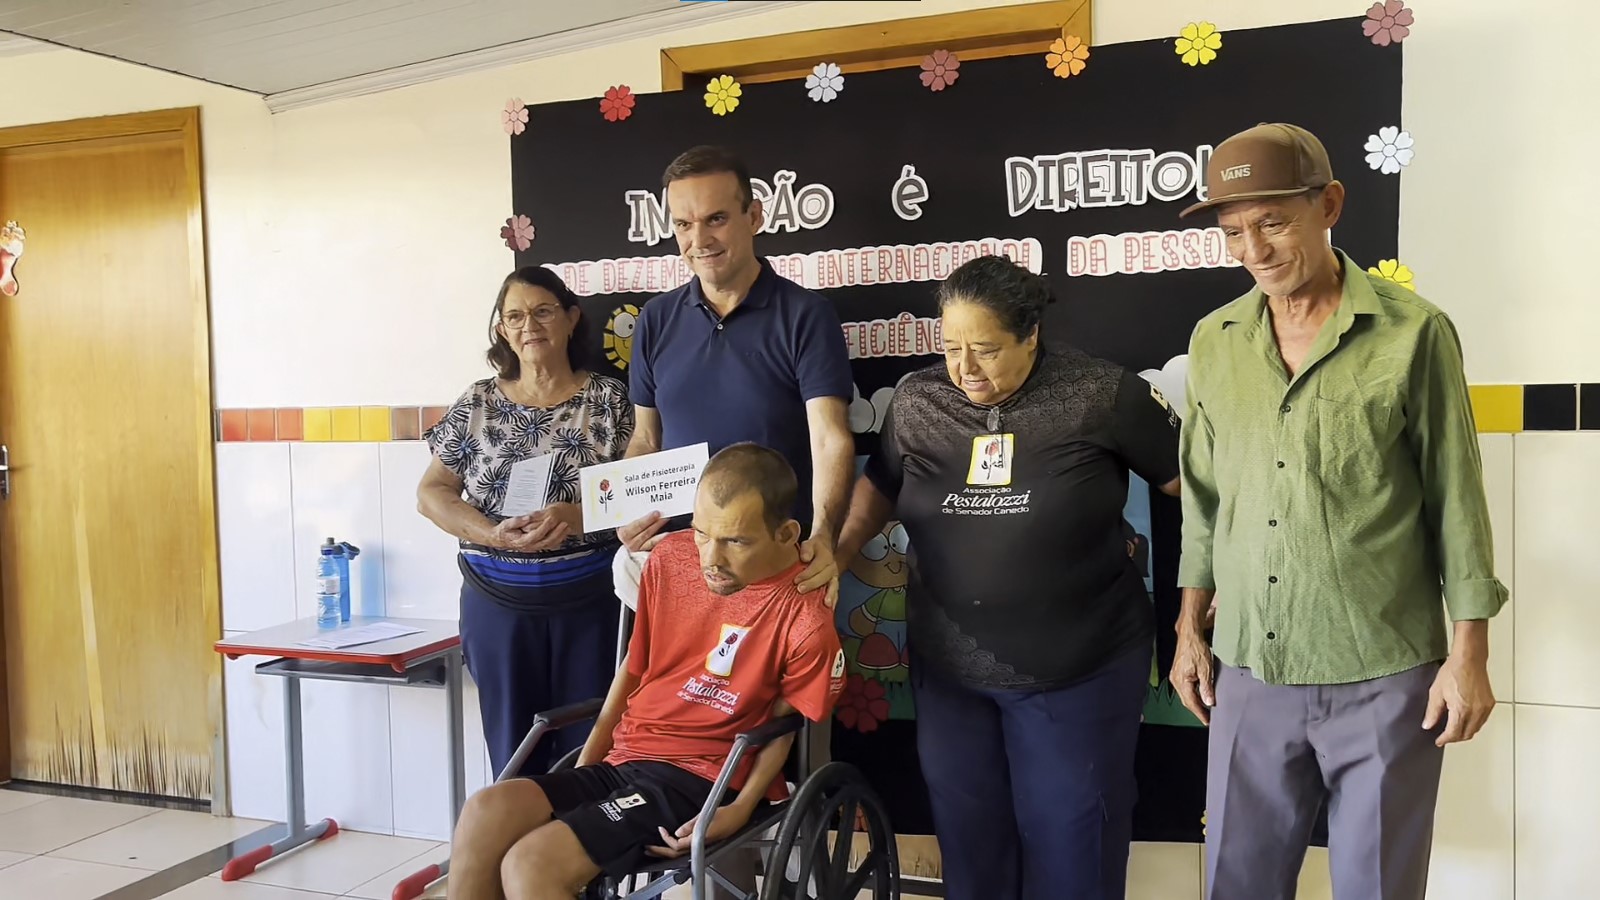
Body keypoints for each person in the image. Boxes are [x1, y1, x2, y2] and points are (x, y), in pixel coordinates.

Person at [1169, 123, 1508, 900]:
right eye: (1234, 232)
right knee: (1237, 884)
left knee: (1377, 886)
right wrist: (1189, 629)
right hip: (1251, 669)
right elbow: (1205, 502)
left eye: (1273, 223)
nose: (1254, 250)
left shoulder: (1414, 333)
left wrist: (1470, 655)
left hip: (1384, 673)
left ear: (1329, 205)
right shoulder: (1216, 340)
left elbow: (1458, 500)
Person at [836, 254, 1183, 900]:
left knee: (1073, 848)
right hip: (950, 674)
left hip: (1078, 670)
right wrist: (836, 552)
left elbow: (1187, 483)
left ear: (1031, 335)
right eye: (951, 348)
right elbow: (881, 485)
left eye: (987, 350)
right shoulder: (918, 402)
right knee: (972, 848)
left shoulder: (1101, 394)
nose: (966, 368)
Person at [445, 443, 847, 900]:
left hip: (699, 778)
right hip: (628, 757)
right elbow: (633, 669)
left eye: (735, 541)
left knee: (530, 864)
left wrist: (738, 809)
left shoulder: (805, 614)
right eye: (702, 533)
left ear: (786, 533)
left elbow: (784, 727)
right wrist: (587, 766)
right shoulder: (672, 558)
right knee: (484, 811)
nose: (711, 559)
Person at [418, 266, 633, 781]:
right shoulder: (478, 402)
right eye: (514, 316)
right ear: (501, 329)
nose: (529, 326)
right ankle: (516, 832)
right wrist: (490, 534)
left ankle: (578, 834)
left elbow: (641, 495)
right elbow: (431, 493)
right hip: (497, 607)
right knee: (512, 747)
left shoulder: (610, 401)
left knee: (590, 747)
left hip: (591, 605)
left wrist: (577, 516)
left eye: (542, 312)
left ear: (571, 318)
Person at [617, 145, 854, 607]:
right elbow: (646, 439)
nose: (699, 239)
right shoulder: (655, 319)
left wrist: (825, 537)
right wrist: (630, 512)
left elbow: (830, 438)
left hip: (776, 568)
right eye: (684, 224)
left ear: (755, 217)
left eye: (717, 219)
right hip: (680, 564)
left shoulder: (807, 315)